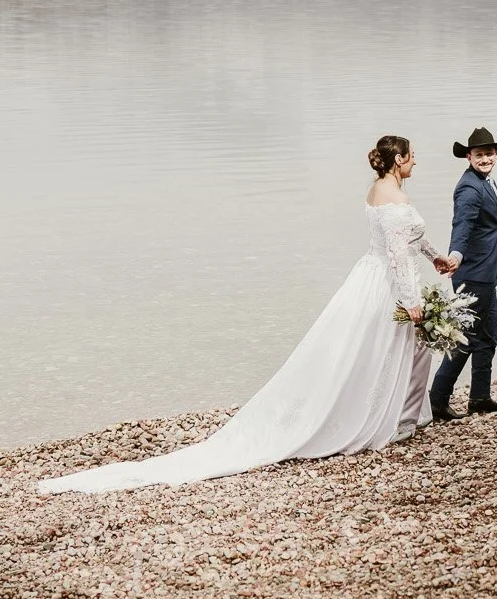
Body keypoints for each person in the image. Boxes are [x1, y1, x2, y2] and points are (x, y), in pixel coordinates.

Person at [38, 135, 460, 492]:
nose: (417, 161)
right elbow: (396, 254)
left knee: (393, 349)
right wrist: (413, 301)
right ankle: (383, 417)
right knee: (386, 349)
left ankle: (404, 413)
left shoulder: (377, 192)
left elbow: (407, 241)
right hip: (386, 282)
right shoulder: (395, 197)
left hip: (373, 274)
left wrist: (436, 257)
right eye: (412, 156)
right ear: (399, 161)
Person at [429, 126, 497, 421]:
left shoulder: (486, 181)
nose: (485, 159)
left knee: (488, 335)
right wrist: (455, 255)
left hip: (486, 270)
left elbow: (489, 229)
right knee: (465, 337)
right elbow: (463, 226)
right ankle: (437, 400)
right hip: (471, 274)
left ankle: (479, 397)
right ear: (469, 156)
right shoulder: (469, 188)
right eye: (479, 155)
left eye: (489, 154)